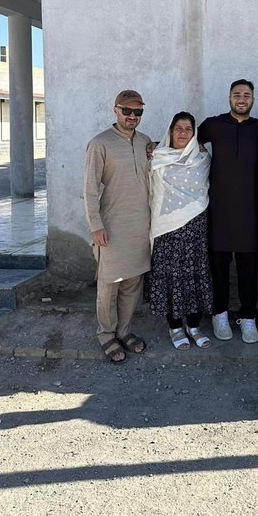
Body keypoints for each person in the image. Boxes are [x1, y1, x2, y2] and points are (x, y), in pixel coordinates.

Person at [198, 80, 258, 344]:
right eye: (237, 95)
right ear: (229, 98)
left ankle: (248, 317)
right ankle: (219, 314)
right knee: (218, 269)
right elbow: (183, 141)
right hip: (218, 212)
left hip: (251, 213)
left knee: (249, 269)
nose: (241, 99)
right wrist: (157, 147)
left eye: (246, 95)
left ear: (253, 99)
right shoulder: (213, 125)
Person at [84, 90, 150, 364]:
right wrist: (95, 225)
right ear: (115, 110)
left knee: (133, 283)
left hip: (141, 226)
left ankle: (123, 331)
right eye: (127, 111)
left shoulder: (146, 142)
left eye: (138, 112)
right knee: (109, 285)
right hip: (111, 226)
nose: (132, 117)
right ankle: (106, 335)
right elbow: (89, 189)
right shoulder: (100, 144)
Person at [145, 112, 214, 350]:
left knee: (195, 275)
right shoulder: (158, 156)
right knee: (170, 276)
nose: (183, 132)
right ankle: (175, 327)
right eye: (178, 128)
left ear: (194, 133)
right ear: (170, 131)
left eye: (188, 128)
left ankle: (194, 327)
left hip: (195, 227)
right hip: (166, 228)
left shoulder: (202, 158)